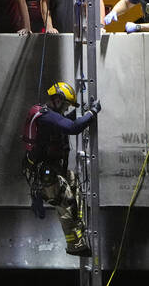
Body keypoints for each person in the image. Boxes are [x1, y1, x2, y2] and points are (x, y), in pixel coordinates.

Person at [23, 81, 102, 257]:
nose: (66, 109)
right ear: (57, 100)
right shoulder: (46, 116)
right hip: (45, 174)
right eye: (65, 105)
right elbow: (72, 128)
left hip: (50, 169)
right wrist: (92, 112)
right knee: (66, 203)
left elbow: (65, 121)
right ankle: (76, 246)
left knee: (74, 182)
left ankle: (80, 228)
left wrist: (82, 112)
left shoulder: (47, 114)